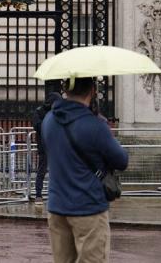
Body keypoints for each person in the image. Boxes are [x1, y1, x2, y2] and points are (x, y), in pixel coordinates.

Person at [42, 77, 128, 263]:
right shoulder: (95, 126)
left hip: (57, 207)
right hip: (88, 207)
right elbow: (121, 160)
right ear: (92, 90)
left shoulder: (49, 120)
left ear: (66, 90)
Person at [31, 92, 60, 205]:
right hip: (44, 145)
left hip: (57, 145)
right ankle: (38, 194)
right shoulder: (39, 111)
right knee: (42, 170)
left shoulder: (58, 112)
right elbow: (37, 126)